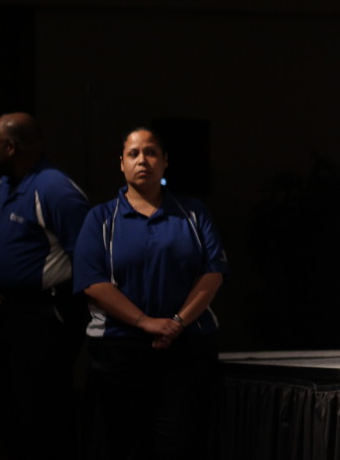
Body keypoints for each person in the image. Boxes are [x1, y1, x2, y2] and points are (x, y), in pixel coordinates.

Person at [73, 127, 229, 459]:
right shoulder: (101, 218)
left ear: (165, 161)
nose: (142, 160)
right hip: (118, 350)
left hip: (187, 347)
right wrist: (146, 323)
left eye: (151, 152)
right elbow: (92, 282)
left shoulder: (193, 212)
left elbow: (212, 273)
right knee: (123, 444)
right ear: (121, 163)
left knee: (180, 443)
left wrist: (176, 323)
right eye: (133, 153)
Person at [0, 112, 90, 460]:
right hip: (5, 313)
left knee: (42, 415)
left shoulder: (55, 190)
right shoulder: (3, 186)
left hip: (43, 318)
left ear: (11, 148)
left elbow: (90, 261)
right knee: (8, 411)